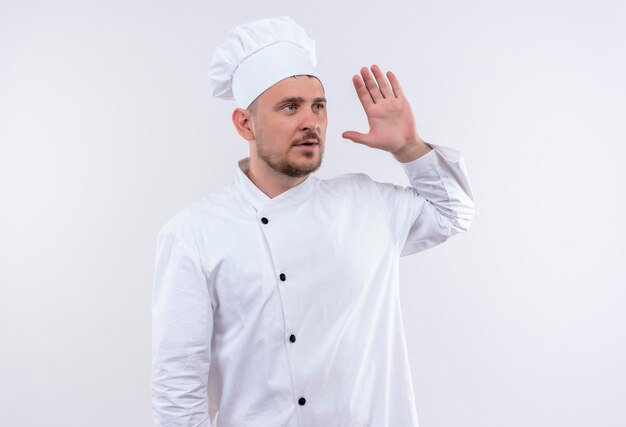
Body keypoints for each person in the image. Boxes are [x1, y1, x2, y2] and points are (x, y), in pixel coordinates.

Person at [152, 15, 474, 427]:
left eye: (318, 106)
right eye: (290, 107)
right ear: (244, 123)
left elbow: (454, 212)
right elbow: (178, 385)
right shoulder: (194, 234)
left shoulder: (365, 203)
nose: (311, 122)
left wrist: (409, 147)